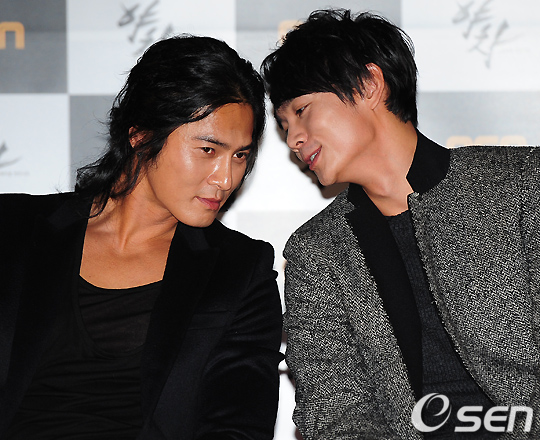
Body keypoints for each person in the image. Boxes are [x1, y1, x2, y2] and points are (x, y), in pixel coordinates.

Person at [262, 8, 540, 439]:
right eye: (284, 126)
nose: (294, 139)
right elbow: (334, 412)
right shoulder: (316, 252)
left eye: (302, 110)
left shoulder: (521, 184)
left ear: (369, 84)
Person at [0, 35, 283, 440]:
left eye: (240, 155)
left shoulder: (240, 270)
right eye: (208, 150)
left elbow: (238, 424)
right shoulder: (12, 228)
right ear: (141, 135)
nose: (226, 178)